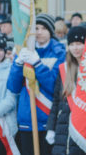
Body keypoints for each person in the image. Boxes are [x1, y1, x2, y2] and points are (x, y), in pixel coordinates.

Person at [7, 13, 66, 155]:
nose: (38, 32)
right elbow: (13, 87)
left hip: (49, 121)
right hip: (27, 119)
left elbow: (55, 86)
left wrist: (38, 65)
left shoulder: (60, 53)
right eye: (36, 28)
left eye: (43, 28)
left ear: (50, 31)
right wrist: (18, 63)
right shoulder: (25, 52)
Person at [46, 26, 86, 155]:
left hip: (85, 129)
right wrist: (51, 128)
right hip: (64, 129)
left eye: (79, 44)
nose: (75, 48)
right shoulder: (63, 69)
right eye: (72, 44)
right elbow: (56, 101)